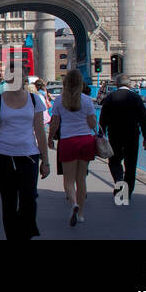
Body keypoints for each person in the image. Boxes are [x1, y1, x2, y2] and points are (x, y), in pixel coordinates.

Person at [0, 67, 50, 239]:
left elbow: (40, 131)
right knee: (9, 200)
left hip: (29, 155)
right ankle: (13, 235)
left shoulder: (35, 100)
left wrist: (46, 161)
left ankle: (25, 231)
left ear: (25, 78)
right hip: (3, 155)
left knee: (29, 198)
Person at [48, 69, 97, 227]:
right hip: (85, 141)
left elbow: (54, 123)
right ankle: (81, 213)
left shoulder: (59, 101)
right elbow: (92, 124)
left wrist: (50, 138)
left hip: (67, 141)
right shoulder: (87, 100)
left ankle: (73, 203)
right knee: (81, 179)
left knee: (68, 180)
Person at [98, 73, 146, 205]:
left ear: (116, 84)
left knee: (114, 161)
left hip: (114, 135)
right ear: (130, 84)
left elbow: (103, 119)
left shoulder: (110, 98)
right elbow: (144, 118)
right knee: (131, 164)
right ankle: (127, 194)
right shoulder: (136, 98)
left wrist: (101, 134)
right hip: (132, 135)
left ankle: (119, 181)